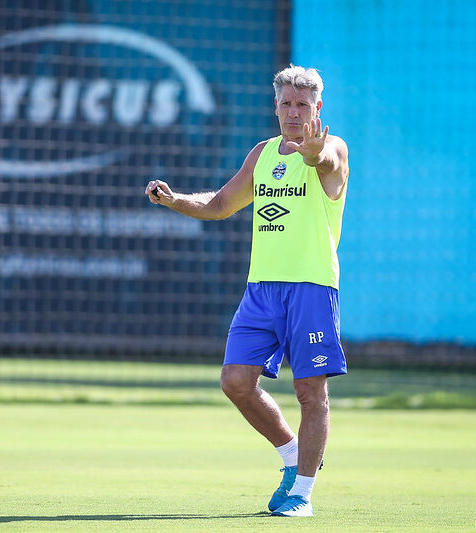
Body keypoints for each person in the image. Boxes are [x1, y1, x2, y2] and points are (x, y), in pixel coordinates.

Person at [145, 65, 349, 517]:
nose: (295, 112)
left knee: (311, 392)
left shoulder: (331, 147)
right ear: (276, 107)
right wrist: (175, 199)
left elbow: (327, 164)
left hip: (312, 289)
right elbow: (220, 204)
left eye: (304, 104)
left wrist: (314, 155)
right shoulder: (262, 155)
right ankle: (294, 456)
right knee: (236, 382)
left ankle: (302, 495)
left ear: (318, 108)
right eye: (287, 103)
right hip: (262, 290)